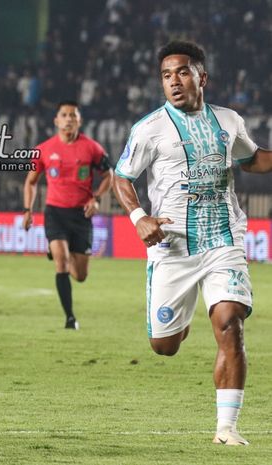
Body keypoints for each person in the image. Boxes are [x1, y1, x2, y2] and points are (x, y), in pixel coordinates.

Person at [113, 40, 272, 446]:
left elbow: (251, 158)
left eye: (182, 72)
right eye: (166, 76)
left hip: (223, 239)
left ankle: (227, 429)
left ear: (202, 77)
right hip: (172, 246)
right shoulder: (149, 129)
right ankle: (181, 322)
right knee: (164, 346)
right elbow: (122, 177)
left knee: (230, 322)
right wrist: (139, 217)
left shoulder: (228, 121)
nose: (174, 82)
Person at [22, 100, 113, 329]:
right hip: (55, 213)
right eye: (64, 115)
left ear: (79, 121)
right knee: (61, 264)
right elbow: (31, 182)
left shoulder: (92, 148)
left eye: (73, 115)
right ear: (56, 121)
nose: (69, 118)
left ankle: (59, 252)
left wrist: (97, 198)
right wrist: (28, 210)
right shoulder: (43, 149)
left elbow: (109, 175)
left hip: (81, 215)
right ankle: (70, 318)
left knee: (80, 275)